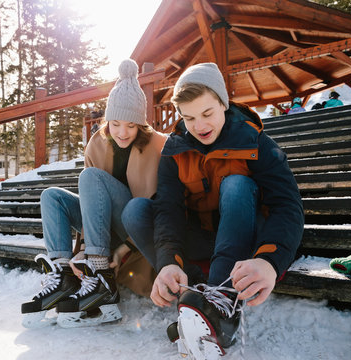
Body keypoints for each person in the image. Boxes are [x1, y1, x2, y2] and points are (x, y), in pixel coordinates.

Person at [130, 63, 304, 357]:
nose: (199, 126)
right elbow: (168, 210)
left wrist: (270, 261)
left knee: (237, 184)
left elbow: (288, 206)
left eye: (207, 114)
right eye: (188, 118)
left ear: (223, 104)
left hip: (248, 238)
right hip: (204, 240)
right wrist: (168, 262)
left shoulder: (256, 142)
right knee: (136, 211)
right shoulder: (174, 151)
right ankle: (195, 294)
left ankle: (222, 302)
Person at [21, 59, 167, 329]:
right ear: (108, 120)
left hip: (136, 224)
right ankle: (63, 275)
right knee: (51, 196)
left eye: (131, 125)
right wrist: (83, 251)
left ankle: (100, 275)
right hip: (103, 224)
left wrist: (122, 249)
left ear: (141, 125)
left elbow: (162, 207)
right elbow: (92, 203)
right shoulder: (97, 143)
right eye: (116, 124)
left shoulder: (160, 146)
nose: (123, 132)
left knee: (90, 176)